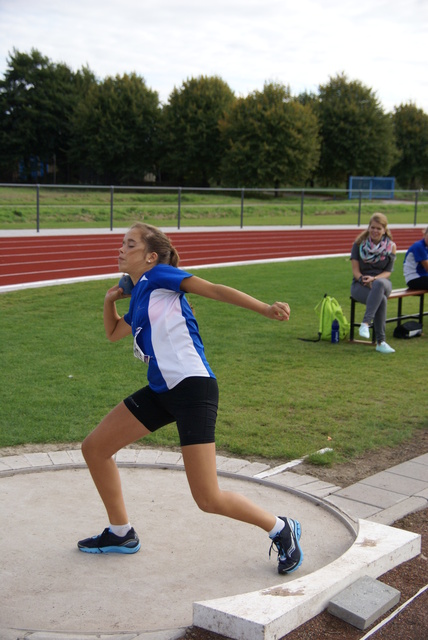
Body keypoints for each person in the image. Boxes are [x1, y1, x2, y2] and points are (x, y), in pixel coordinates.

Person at [77, 222, 303, 575]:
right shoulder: (140, 294)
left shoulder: (161, 276)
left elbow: (213, 289)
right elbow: (112, 333)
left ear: (151, 257)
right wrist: (110, 300)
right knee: (95, 448)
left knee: (208, 498)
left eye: (130, 244)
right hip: (162, 390)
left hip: (193, 388)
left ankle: (280, 527)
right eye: (122, 243)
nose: (121, 249)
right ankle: (121, 533)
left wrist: (264, 308)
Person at [350, 213, 397, 354]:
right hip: (360, 284)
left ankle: (365, 323)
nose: (375, 231)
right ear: (369, 227)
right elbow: (356, 271)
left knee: (379, 284)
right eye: (373, 227)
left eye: (379, 228)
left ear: (384, 230)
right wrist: (363, 280)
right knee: (380, 299)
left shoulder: (391, 246)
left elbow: (388, 272)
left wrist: (374, 279)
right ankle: (381, 342)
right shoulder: (358, 245)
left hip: (383, 283)